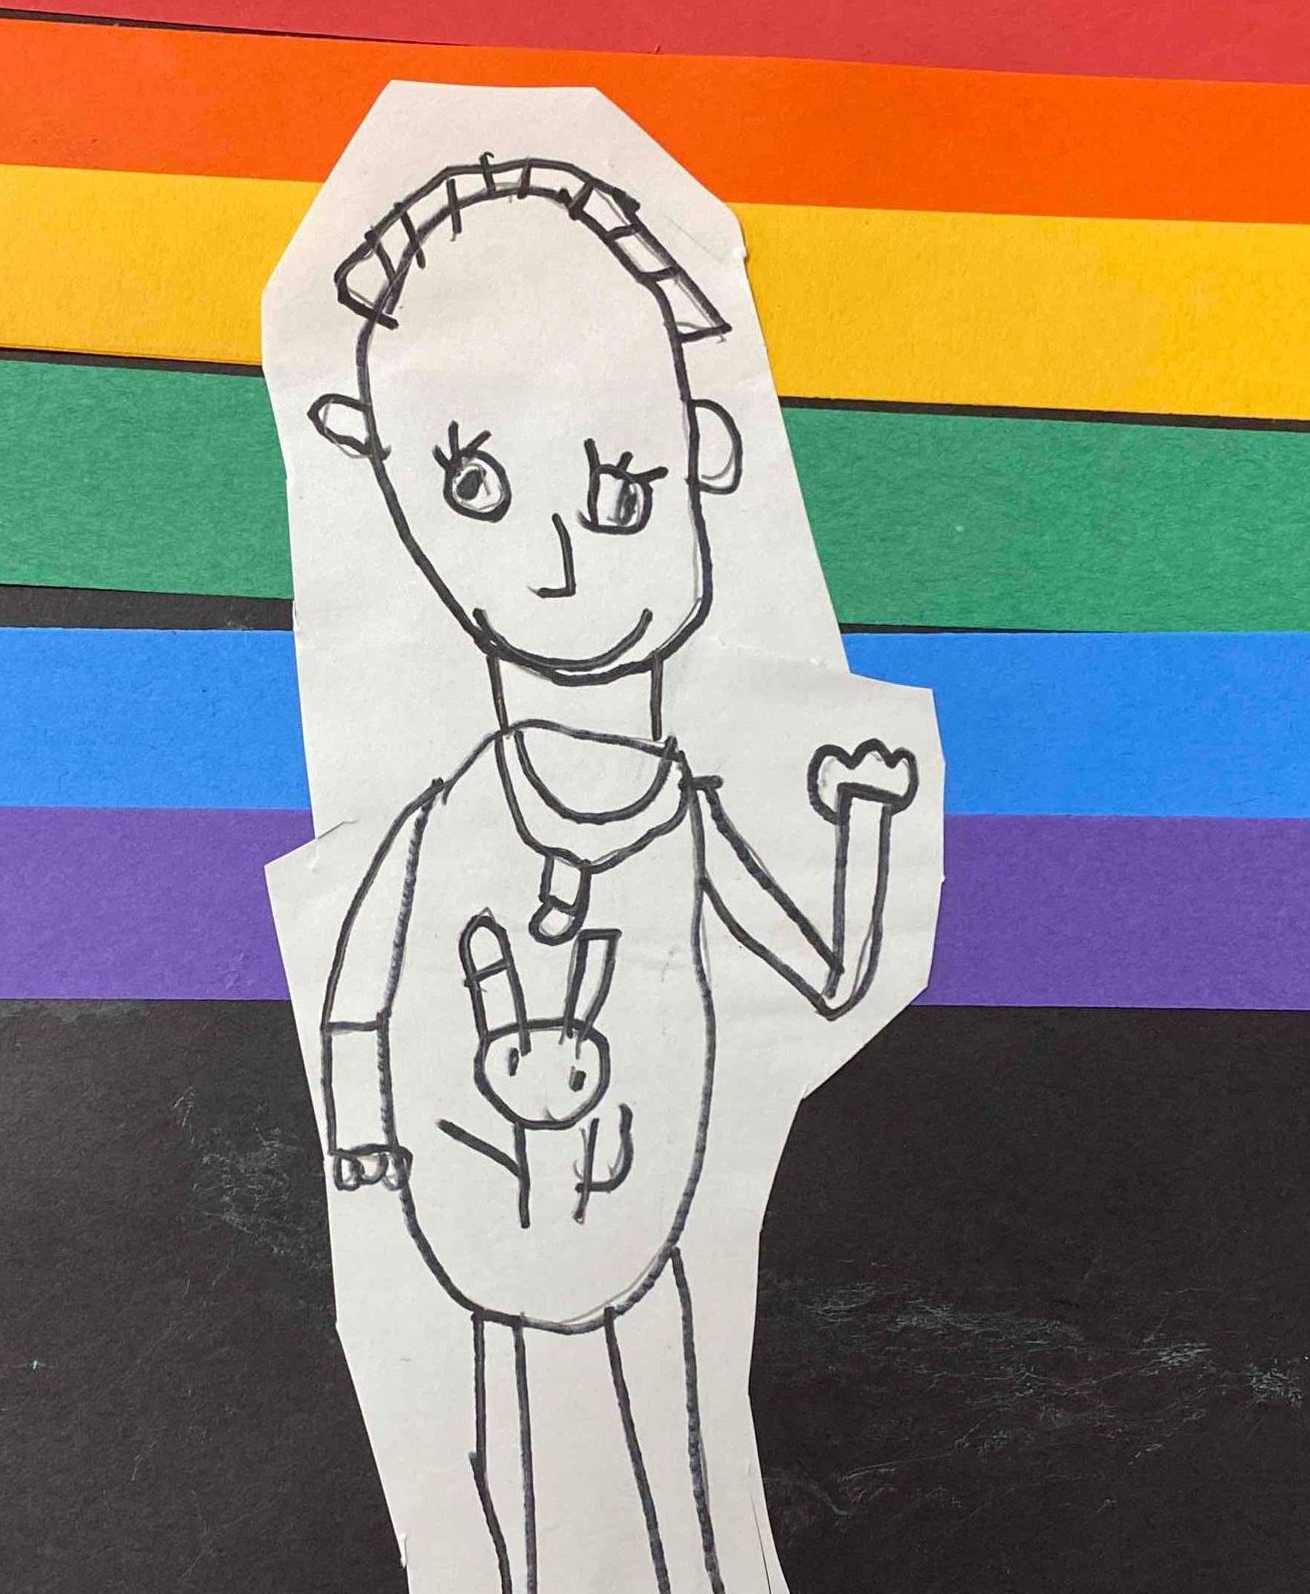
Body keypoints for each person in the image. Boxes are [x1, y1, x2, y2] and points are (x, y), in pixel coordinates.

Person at [303, 154, 918, 1594]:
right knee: (520, 1474)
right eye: (475, 487)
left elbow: (832, 979)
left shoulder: (679, 820)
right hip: (489, 1224)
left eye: (623, 488)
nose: (560, 559)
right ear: (381, 472)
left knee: (675, 1448)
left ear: (706, 453)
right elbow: (360, 992)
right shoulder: (439, 823)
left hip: (652, 1213)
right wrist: (371, 1135)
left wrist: (865, 823)